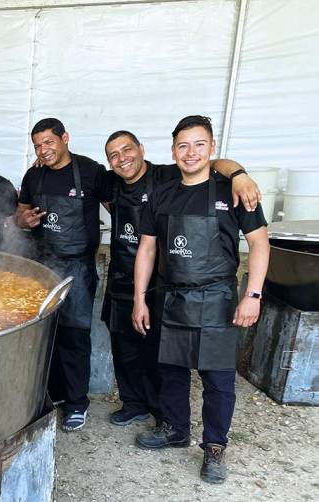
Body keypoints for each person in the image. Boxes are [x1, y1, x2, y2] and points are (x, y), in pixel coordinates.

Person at [132, 116, 269, 484]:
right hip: (172, 296)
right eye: (183, 145)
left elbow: (259, 243)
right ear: (173, 150)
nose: (190, 153)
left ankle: (214, 446)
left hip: (218, 297)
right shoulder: (161, 193)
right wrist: (139, 299)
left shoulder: (233, 190)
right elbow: (146, 249)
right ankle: (175, 429)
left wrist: (253, 295)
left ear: (212, 147)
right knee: (171, 372)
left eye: (199, 144)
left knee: (218, 380)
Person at [100, 130, 261, 427]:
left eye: (127, 150)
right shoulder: (110, 181)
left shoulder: (167, 176)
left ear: (143, 148)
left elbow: (214, 163)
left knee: (159, 356)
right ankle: (135, 404)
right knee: (124, 347)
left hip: (166, 280)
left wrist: (239, 174)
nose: (122, 159)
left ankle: (164, 415)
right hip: (125, 274)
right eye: (114, 155)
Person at [16, 118, 111, 432]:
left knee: (74, 334)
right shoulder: (33, 175)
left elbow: (118, 206)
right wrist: (24, 220)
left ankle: (76, 403)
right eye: (38, 145)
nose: (44, 150)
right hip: (42, 265)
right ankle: (52, 393)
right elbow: (21, 212)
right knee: (44, 333)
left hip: (77, 268)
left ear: (64, 138)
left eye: (49, 142)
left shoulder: (90, 171)